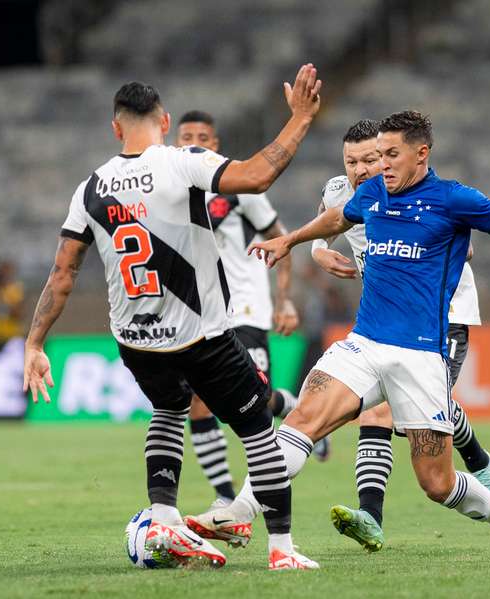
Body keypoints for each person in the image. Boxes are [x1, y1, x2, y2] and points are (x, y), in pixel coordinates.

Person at [190, 111, 490, 560]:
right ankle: (240, 510)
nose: (381, 165)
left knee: (436, 484)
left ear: (421, 153)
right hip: (364, 344)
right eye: (378, 155)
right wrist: (295, 242)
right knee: (302, 421)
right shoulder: (374, 193)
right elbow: (337, 218)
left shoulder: (453, 199)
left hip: (421, 356)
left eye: (391, 155)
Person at [22, 64, 323, 570]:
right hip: (200, 334)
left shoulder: (90, 189)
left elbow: (61, 276)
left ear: (115, 128)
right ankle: (282, 551)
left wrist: (34, 344)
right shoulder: (184, 162)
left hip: (136, 340)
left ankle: (163, 517)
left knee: (169, 408)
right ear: (164, 120)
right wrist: (300, 119)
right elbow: (257, 175)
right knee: (256, 429)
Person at [305, 118, 490, 552]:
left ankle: (479, 463)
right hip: (386, 321)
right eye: (351, 161)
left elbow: (462, 242)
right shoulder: (341, 192)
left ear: (388, 155)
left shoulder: (423, 196)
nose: (360, 169)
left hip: (442, 313)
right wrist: (321, 254)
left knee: (412, 416)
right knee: (376, 412)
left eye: (370, 160)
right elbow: (321, 230)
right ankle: (371, 519)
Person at [173, 109, 314, 510]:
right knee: (200, 403)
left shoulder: (238, 187)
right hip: (203, 313)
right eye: (187, 136)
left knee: (252, 400)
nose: (195, 141)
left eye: (203, 135)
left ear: (215, 145)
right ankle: (222, 496)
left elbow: (280, 239)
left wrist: (284, 298)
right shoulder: (169, 191)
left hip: (246, 307)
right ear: (175, 142)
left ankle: (304, 419)